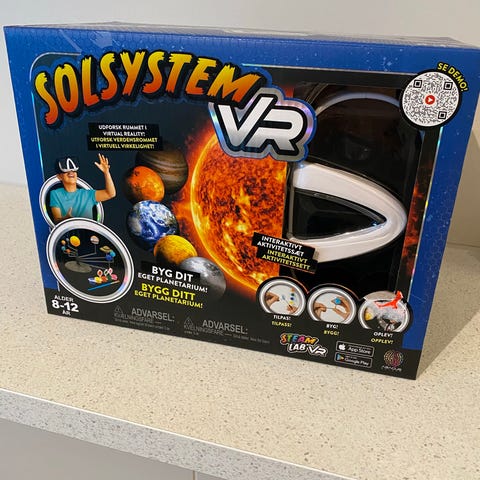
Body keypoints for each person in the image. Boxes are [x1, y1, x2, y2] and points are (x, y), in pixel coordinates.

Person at [50, 154, 116, 224]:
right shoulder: (55, 194)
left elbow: (110, 194)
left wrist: (106, 172)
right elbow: (56, 220)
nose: (71, 173)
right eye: (66, 171)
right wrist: (66, 219)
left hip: (88, 229)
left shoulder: (88, 194)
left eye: (73, 171)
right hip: (69, 230)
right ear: (59, 176)